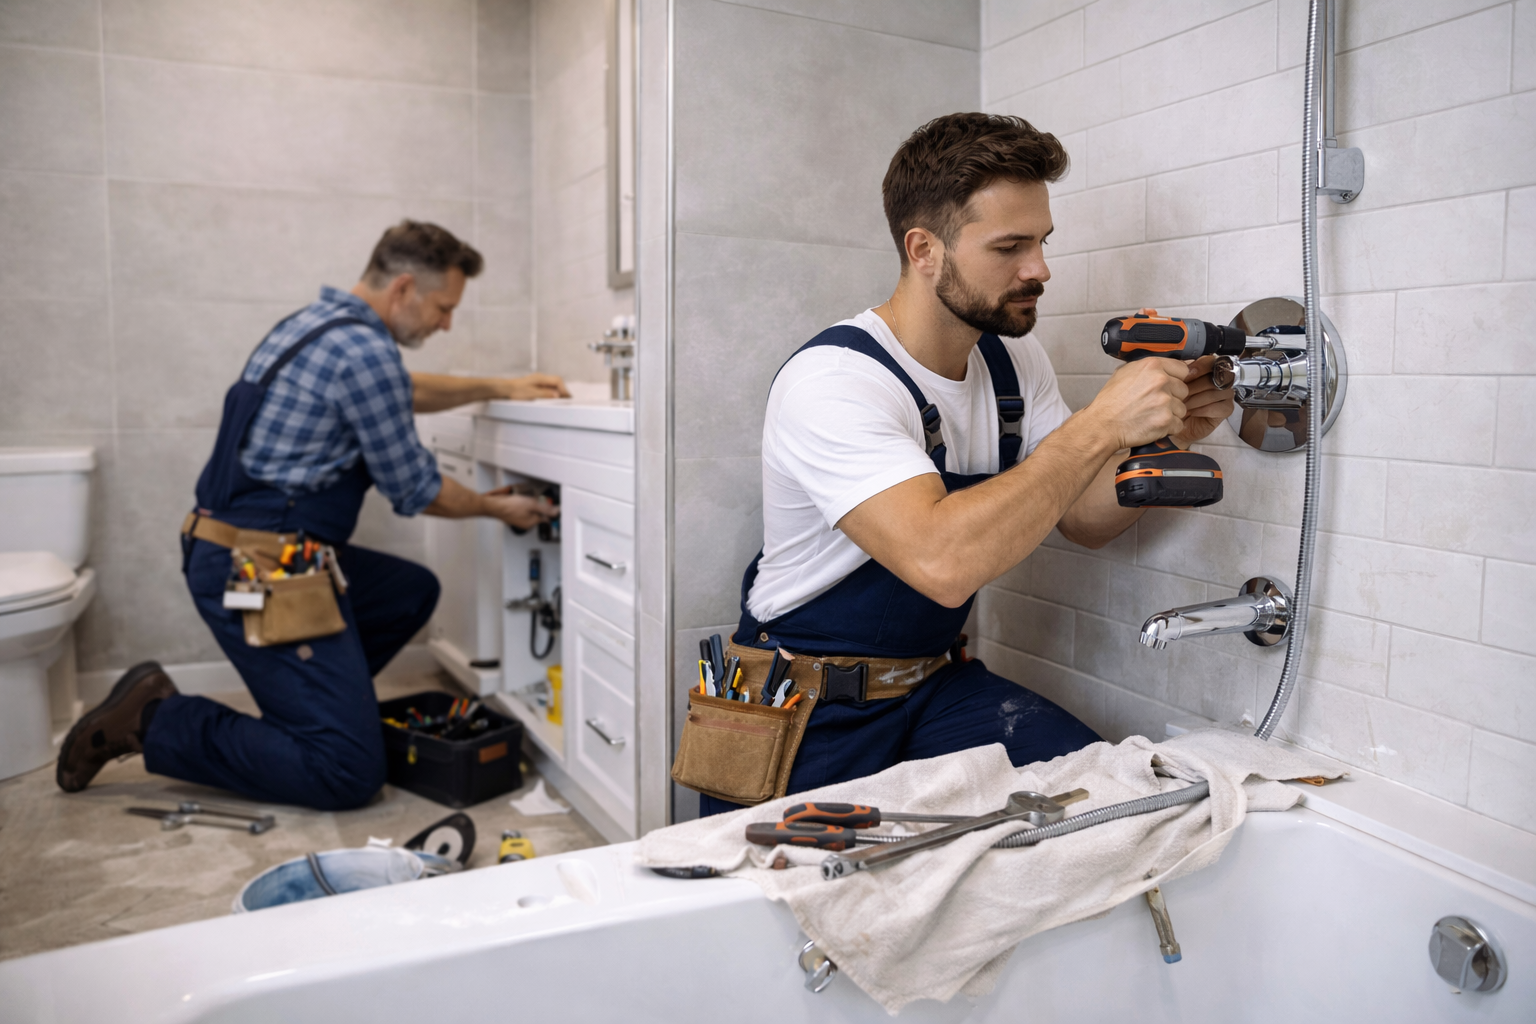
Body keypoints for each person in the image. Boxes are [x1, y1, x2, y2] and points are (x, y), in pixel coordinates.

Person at [704, 113, 1235, 815]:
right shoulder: (834, 381)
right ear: (924, 250)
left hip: (934, 684)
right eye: (1010, 246)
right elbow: (941, 561)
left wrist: (1167, 431)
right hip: (808, 709)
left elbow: (1079, 515)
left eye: (1042, 242)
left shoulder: (1012, 359)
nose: (1040, 269)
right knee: (795, 910)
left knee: (1115, 803)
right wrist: (1102, 423)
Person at [57, 221, 568, 810]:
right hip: (257, 568)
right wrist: (494, 507)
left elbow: (401, 388)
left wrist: (501, 388)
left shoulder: (318, 327)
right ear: (403, 288)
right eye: (444, 307)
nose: (446, 323)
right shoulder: (366, 351)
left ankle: (316, 707)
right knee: (347, 772)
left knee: (408, 590)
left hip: (233, 549)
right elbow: (416, 489)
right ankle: (152, 718)